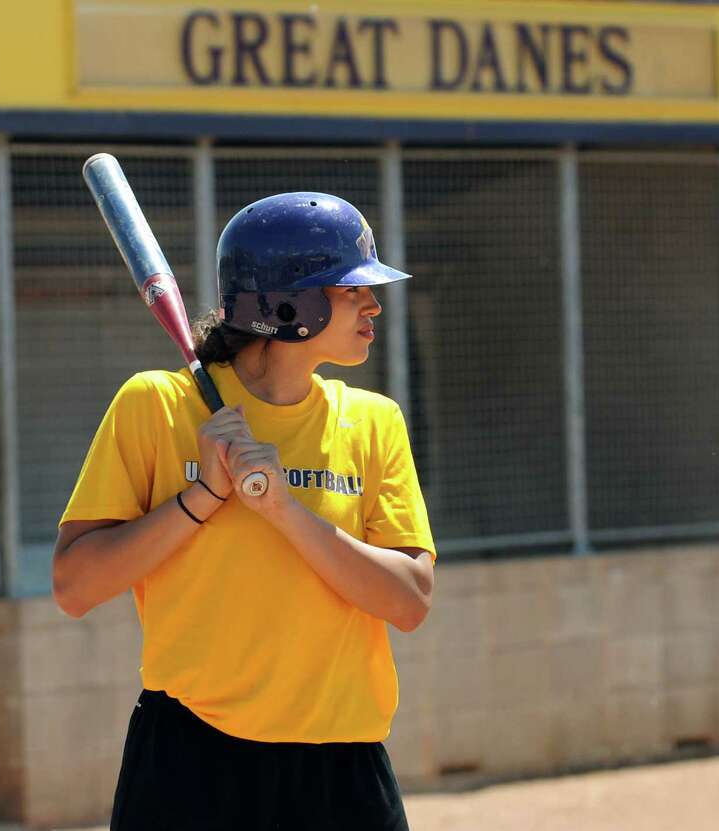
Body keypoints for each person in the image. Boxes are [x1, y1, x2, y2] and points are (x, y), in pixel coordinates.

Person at [52, 192, 436, 830]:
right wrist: (201, 497)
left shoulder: (373, 422)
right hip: (191, 762)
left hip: (338, 768)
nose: (373, 303)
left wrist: (285, 511)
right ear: (292, 306)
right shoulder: (158, 405)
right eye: (350, 289)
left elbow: (411, 601)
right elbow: (74, 587)